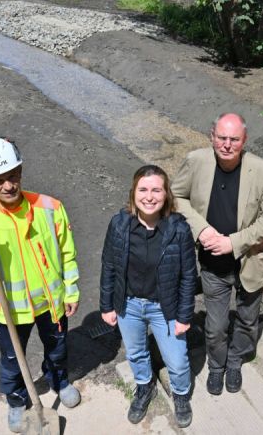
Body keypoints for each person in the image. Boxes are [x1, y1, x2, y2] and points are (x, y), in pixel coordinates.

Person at [0, 137, 81, 433]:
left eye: (12, 176)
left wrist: (71, 289)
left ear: (21, 171)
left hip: (51, 303)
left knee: (57, 348)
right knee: (12, 361)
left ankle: (58, 380)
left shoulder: (49, 207)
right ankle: (16, 401)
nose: (8, 185)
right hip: (9, 312)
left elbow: (67, 253)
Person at [172, 113, 263, 396]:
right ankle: (217, 365)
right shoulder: (196, 161)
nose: (227, 144)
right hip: (212, 265)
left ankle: (235, 362)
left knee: (247, 319)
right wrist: (201, 230)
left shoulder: (262, 170)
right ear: (212, 136)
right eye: (222, 137)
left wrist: (233, 243)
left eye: (234, 139)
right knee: (216, 325)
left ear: (244, 141)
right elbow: (176, 198)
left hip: (250, 262)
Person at [100, 165, 197, 428]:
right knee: (136, 353)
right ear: (133, 193)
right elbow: (108, 265)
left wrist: (184, 315)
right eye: (143, 190)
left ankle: (180, 394)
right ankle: (145, 387)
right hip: (128, 305)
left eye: (156, 190)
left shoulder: (178, 230)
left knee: (177, 360)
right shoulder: (119, 224)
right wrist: (107, 305)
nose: (149, 196)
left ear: (166, 195)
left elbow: (189, 275)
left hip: (165, 308)